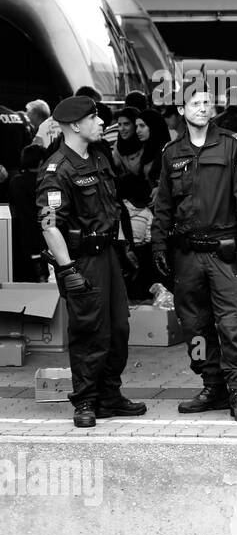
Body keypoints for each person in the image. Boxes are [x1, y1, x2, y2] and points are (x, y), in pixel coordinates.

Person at [35, 97, 145, 428]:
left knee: (118, 328)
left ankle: (109, 396)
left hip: (108, 255)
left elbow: (113, 208)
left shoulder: (99, 158)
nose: (100, 123)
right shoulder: (57, 168)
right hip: (82, 260)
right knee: (88, 330)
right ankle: (85, 400)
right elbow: (49, 224)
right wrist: (67, 269)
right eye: (94, 118)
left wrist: (124, 248)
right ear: (74, 126)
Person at [152, 89, 237, 422]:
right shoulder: (172, 153)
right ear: (182, 110)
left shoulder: (233, 144)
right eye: (194, 103)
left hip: (224, 250)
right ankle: (212, 385)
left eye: (205, 103)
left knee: (232, 322)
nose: (201, 108)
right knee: (195, 325)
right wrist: (158, 242)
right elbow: (164, 203)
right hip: (187, 254)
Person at [9, 145, 47, 282]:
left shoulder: (15, 182)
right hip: (45, 236)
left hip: (23, 238)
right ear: (41, 162)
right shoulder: (45, 182)